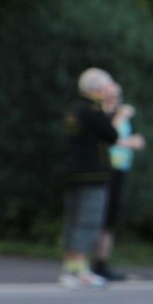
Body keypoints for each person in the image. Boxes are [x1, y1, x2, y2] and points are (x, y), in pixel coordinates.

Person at [60, 69, 138, 287]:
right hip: (92, 173)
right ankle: (80, 269)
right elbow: (112, 135)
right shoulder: (93, 111)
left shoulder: (75, 110)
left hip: (73, 170)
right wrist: (118, 115)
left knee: (73, 220)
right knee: (88, 221)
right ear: (97, 89)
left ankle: (69, 267)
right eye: (106, 87)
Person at [93, 78, 145, 281]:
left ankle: (102, 262)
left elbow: (139, 141)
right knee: (98, 216)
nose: (114, 100)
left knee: (110, 219)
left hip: (120, 170)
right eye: (110, 96)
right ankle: (85, 262)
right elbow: (108, 136)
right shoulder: (102, 115)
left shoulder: (124, 117)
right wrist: (121, 119)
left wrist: (124, 141)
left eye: (117, 97)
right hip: (103, 170)